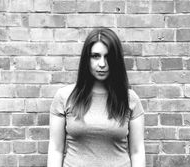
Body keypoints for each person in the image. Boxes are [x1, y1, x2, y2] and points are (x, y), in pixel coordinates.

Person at [47, 28, 145, 167]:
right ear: (87, 59)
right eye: (95, 56)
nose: (102, 64)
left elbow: (137, 152)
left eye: (108, 57)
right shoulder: (64, 97)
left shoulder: (129, 99)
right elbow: (56, 149)